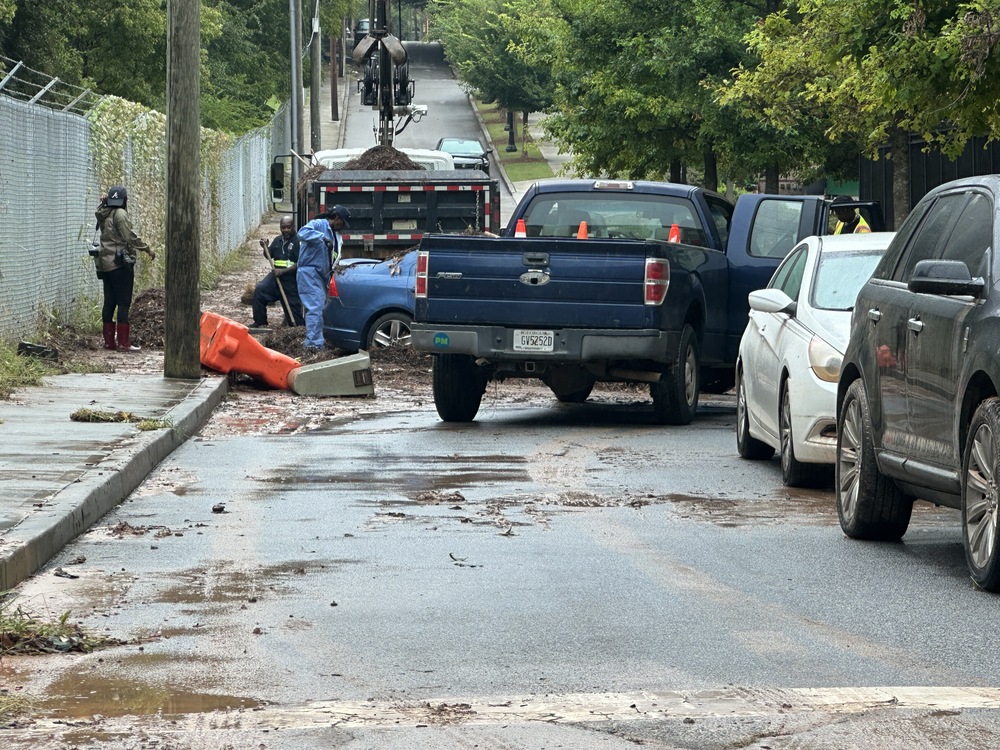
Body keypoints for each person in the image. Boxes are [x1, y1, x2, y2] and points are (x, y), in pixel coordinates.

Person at [94, 186, 155, 351]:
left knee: (109, 302)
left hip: (105, 264)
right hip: (119, 263)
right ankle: (124, 343)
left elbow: (101, 211)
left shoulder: (103, 212)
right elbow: (129, 236)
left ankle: (109, 342)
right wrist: (147, 248)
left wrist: (104, 203)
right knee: (123, 302)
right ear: (124, 200)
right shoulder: (120, 214)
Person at [296, 205, 351, 350]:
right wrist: (321, 237)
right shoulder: (319, 225)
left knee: (318, 307)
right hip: (309, 272)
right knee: (315, 307)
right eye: (343, 222)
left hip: (321, 276)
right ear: (337, 218)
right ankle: (313, 345)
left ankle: (315, 339)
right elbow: (302, 232)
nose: (343, 226)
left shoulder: (337, 236)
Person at [252, 216, 304, 328]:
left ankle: (297, 329)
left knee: (294, 318)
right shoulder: (277, 240)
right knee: (260, 290)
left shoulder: (299, 242)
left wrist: (282, 271)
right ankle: (260, 322)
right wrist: (264, 247)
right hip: (275, 278)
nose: (285, 230)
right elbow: (269, 255)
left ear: (293, 226)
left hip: (291, 281)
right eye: (283, 227)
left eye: (288, 227)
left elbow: (300, 264)